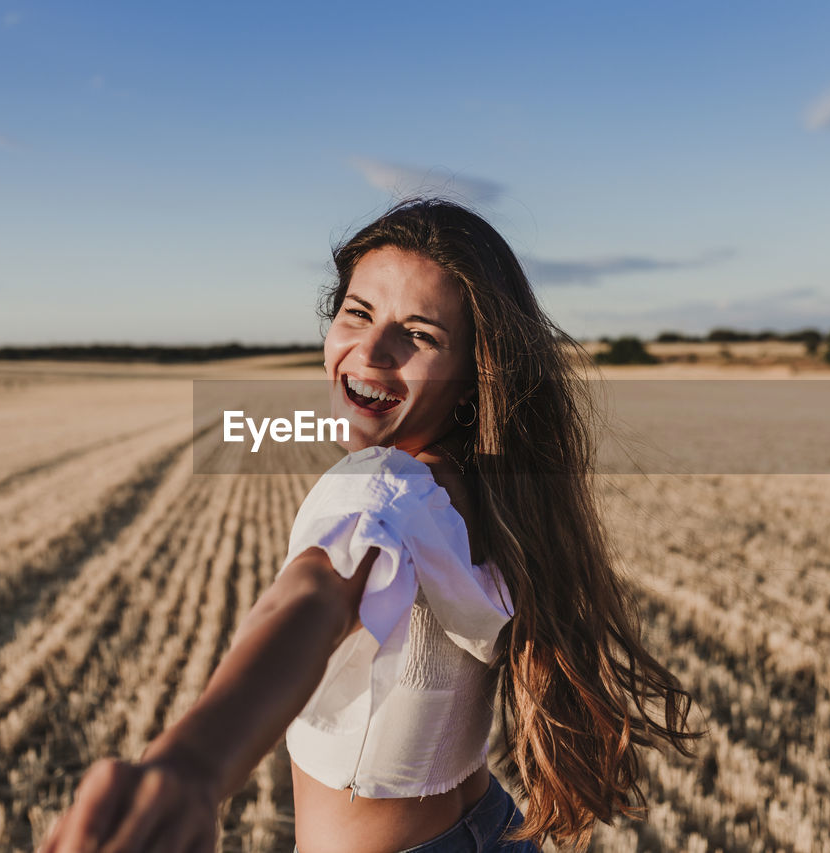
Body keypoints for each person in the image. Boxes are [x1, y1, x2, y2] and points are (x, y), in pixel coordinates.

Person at [40, 198, 701, 853]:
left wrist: (193, 765)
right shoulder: (481, 483)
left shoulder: (382, 484)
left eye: (419, 334)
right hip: (489, 828)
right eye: (358, 312)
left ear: (473, 375)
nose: (374, 349)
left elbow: (313, 596)